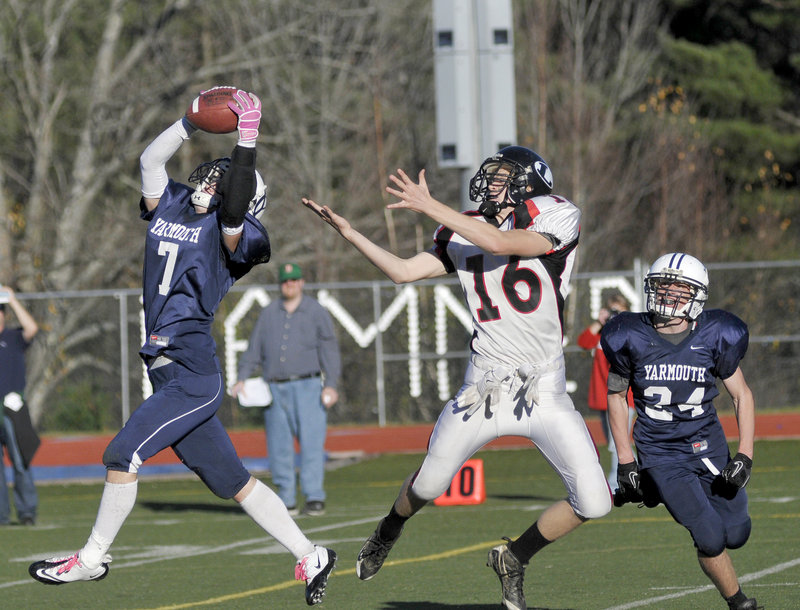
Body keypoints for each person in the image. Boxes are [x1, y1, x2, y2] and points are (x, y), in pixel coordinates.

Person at [28, 88, 336, 606]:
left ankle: (91, 558)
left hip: (193, 371)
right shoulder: (171, 201)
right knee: (231, 480)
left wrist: (248, 136)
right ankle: (310, 554)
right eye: (212, 171)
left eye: (225, 176)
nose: (212, 177)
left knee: (122, 453)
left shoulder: (236, 233)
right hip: (166, 370)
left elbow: (235, 207)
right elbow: (150, 160)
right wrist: (189, 122)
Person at [302, 146, 611, 610]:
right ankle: (389, 528)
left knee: (596, 501)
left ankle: (514, 556)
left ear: (529, 184)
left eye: (503, 177)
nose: (490, 184)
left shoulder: (558, 214)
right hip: (482, 390)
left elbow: (504, 244)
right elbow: (404, 272)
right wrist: (351, 234)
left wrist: (430, 205)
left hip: (541, 389)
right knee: (426, 487)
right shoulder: (460, 228)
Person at [602, 253, 759, 610]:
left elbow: (741, 394)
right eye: (663, 286)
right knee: (709, 535)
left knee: (737, 534)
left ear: (697, 296)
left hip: (709, 445)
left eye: (679, 288)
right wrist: (626, 460)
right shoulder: (628, 334)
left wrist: (745, 455)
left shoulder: (716, 334)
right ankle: (738, 603)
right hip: (661, 451)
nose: (669, 295)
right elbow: (616, 396)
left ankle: (654, 488)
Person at [232, 261, 341, 517]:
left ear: (301, 282)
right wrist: (242, 377)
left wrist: (332, 385)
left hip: (308, 384)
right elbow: (254, 349)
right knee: (279, 445)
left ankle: (314, 496)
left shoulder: (315, 311)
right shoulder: (269, 312)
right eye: (285, 281)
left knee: (312, 443)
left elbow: (329, 350)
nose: (289, 285)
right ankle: (286, 498)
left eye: (293, 280)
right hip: (275, 388)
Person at [576, 292, 635, 490]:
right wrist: (600, 321)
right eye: (613, 311)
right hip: (603, 397)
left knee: (619, 442)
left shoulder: (630, 332)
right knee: (616, 441)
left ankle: (618, 481)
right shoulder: (602, 334)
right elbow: (583, 342)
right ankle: (628, 481)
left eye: (620, 310)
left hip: (623, 397)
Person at [0, 287, 40, 526]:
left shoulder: (13, 338)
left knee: (20, 460)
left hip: (12, 410)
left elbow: (32, 328)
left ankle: (26, 511)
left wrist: (12, 299)